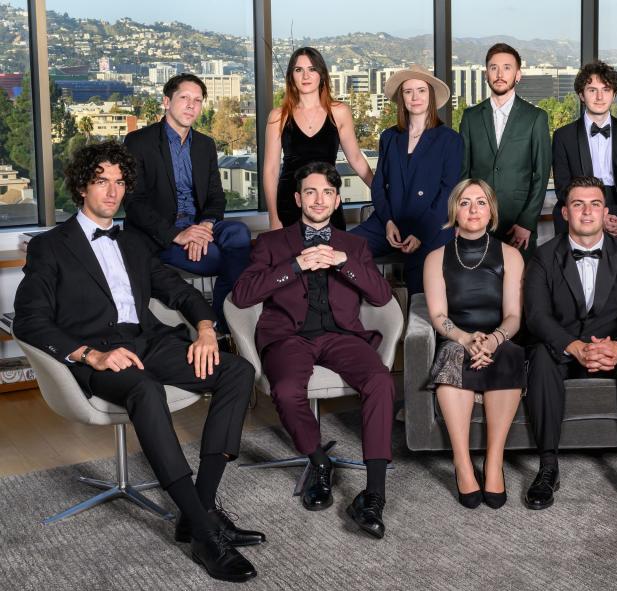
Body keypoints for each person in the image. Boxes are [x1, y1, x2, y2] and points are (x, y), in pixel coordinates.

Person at [13, 142, 262, 583]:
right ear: (81, 187)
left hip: (148, 341)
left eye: (120, 182)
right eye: (101, 181)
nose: (113, 192)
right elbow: (29, 321)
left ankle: (197, 511)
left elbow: (180, 292)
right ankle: (207, 535)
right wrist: (91, 354)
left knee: (237, 371)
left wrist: (205, 328)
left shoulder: (133, 242)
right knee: (143, 387)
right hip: (99, 354)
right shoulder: (50, 247)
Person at [231, 161, 396, 538]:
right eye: (310, 192)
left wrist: (343, 263)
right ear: (297, 198)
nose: (318, 200)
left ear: (337, 200)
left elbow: (381, 295)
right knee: (287, 392)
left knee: (382, 383)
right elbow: (242, 296)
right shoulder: (272, 244)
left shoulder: (355, 246)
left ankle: (373, 495)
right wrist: (295, 265)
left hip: (343, 336)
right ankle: (319, 463)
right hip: (289, 338)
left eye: (326, 193)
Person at [523, 175, 617, 510]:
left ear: (605, 212)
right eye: (578, 204)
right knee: (541, 355)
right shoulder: (543, 257)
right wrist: (574, 347)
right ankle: (547, 466)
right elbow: (537, 316)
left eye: (595, 204)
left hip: (612, 347)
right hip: (565, 350)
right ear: (565, 213)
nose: (587, 212)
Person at [123, 73, 251, 337]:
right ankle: (221, 328)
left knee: (239, 234)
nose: (192, 105)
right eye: (184, 98)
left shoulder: (205, 145)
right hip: (160, 234)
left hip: (198, 227)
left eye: (198, 100)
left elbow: (216, 197)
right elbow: (134, 203)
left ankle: (219, 326)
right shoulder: (139, 142)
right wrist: (179, 235)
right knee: (230, 259)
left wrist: (204, 227)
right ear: (166, 102)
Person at [423, 179, 525, 509]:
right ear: (454, 210)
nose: (473, 210)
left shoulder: (510, 255)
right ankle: (463, 463)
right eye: (465, 203)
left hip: (498, 338)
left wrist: (493, 340)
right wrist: (466, 339)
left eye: (481, 202)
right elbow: (438, 315)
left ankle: (493, 463)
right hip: (457, 338)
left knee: (510, 355)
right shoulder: (435, 258)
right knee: (452, 356)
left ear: (491, 210)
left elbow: (513, 316)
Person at [350, 65, 463, 294]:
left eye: (421, 90)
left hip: (431, 225)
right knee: (342, 249)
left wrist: (422, 233)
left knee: (420, 288)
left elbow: (449, 193)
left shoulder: (450, 140)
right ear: (401, 98)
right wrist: (388, 220)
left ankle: (415, 326)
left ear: (431, 95)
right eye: (408, 91)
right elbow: (379, 185)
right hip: (389, 222)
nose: (415, 97)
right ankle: (372, 304)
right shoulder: (389, 137)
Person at [263, 47, 374, 230]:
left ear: (321, 74)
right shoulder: (278, 116)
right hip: (290, 203)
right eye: (299, 70)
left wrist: (381, 194)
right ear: (291, 76)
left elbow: (355, 159)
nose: (305, 76)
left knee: (333, 256)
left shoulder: (339, 112)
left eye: (312, 69)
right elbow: (271, 170)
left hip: (327, 202)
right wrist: (273, 218)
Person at [459, 43, 551, 258]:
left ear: (518, 75)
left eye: (507, 68)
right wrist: (461, 219)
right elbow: (463, 173)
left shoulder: (535, 118)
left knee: (519, 287)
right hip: (477, 221)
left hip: (518, 224)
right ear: (486, 74)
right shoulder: (470, 117)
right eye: (493, 68)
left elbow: (541, 174)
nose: (500, 74)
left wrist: (527, 222)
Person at [553, 60, 617, 258]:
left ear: (614, 94)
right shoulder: (563, 136)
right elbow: (563, 187)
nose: (599, 97)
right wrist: (596, 216)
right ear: (581, 95)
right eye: (592, 90)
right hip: (581, 207)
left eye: (605, 90)